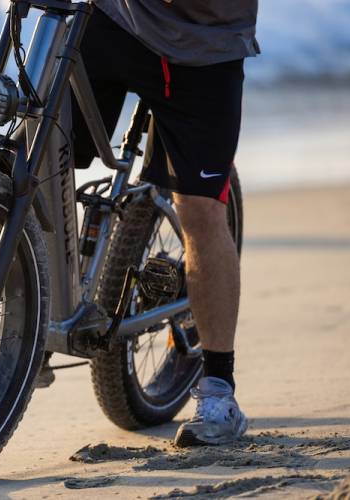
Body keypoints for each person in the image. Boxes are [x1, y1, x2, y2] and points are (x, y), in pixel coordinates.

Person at [71, 0, 259, 446]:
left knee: (198, 209)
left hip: (204, 49)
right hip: (117, 19)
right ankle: (25, 318)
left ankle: (218, 393)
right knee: (34, 156)